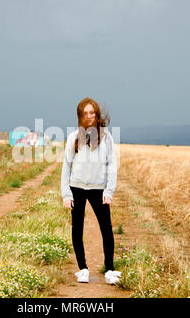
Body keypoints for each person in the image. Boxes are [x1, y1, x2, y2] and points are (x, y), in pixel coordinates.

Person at [61, 97, 121, 285]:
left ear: (97, 114)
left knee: (106, 229)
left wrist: (109, 190)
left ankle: (109, 270)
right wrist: (66, 194)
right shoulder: (73, 138)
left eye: (92, 112)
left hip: (98, 189)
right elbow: (66, 166)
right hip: (76, 187)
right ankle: (83, 269)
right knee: (77, 229)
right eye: (85, 113)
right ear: (80, 116)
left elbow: (112, 165)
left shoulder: (106, 137)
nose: (89, 116)